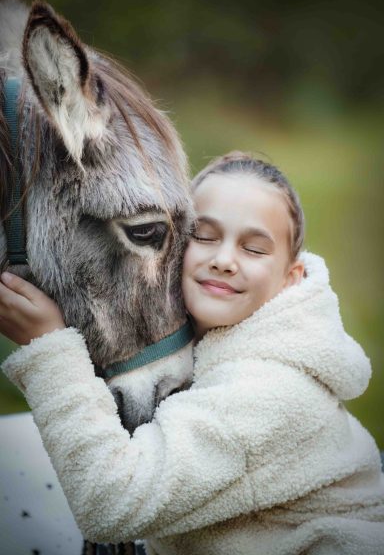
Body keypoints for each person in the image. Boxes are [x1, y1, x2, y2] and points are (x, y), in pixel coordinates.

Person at [1, 152, 384, 555]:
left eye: (253, 249)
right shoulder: (215, 344)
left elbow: (111, 506)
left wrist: (48, 347)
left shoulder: (269, 392)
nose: (223, 261)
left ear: (292, 279)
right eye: (204, 236)